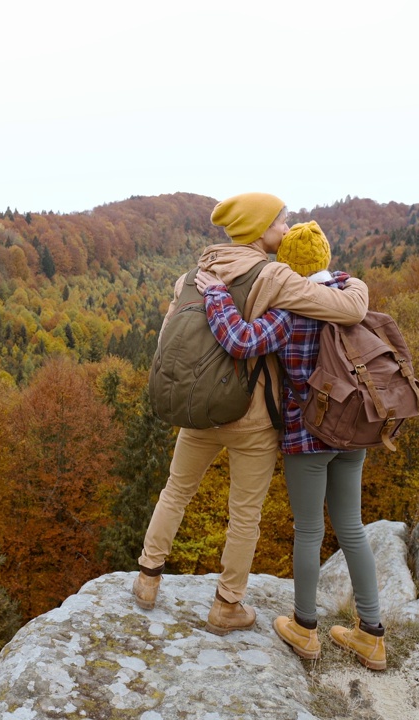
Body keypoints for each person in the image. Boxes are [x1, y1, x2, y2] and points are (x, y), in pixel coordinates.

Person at [131, 193, 370, 638]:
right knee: (244, 514)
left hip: (199, 409)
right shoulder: (274, 274)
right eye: (281, 221)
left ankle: (147, 579)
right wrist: (353, 283)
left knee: (176, 490)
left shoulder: (195, 274)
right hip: (252, 415)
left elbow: (170, 339)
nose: (285, 228)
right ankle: (226, 606)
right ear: (261, 229)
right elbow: (349, 310)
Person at [201, 220, 386, 670]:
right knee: (352, 527)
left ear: (286, 265)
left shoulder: (290, 311)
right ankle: (372, 635)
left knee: (309, 531)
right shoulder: (348, 294)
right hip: (353, 428)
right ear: (324, 256)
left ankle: (305, 628)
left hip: (308, 434)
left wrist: (217, 296)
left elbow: (243, 342)